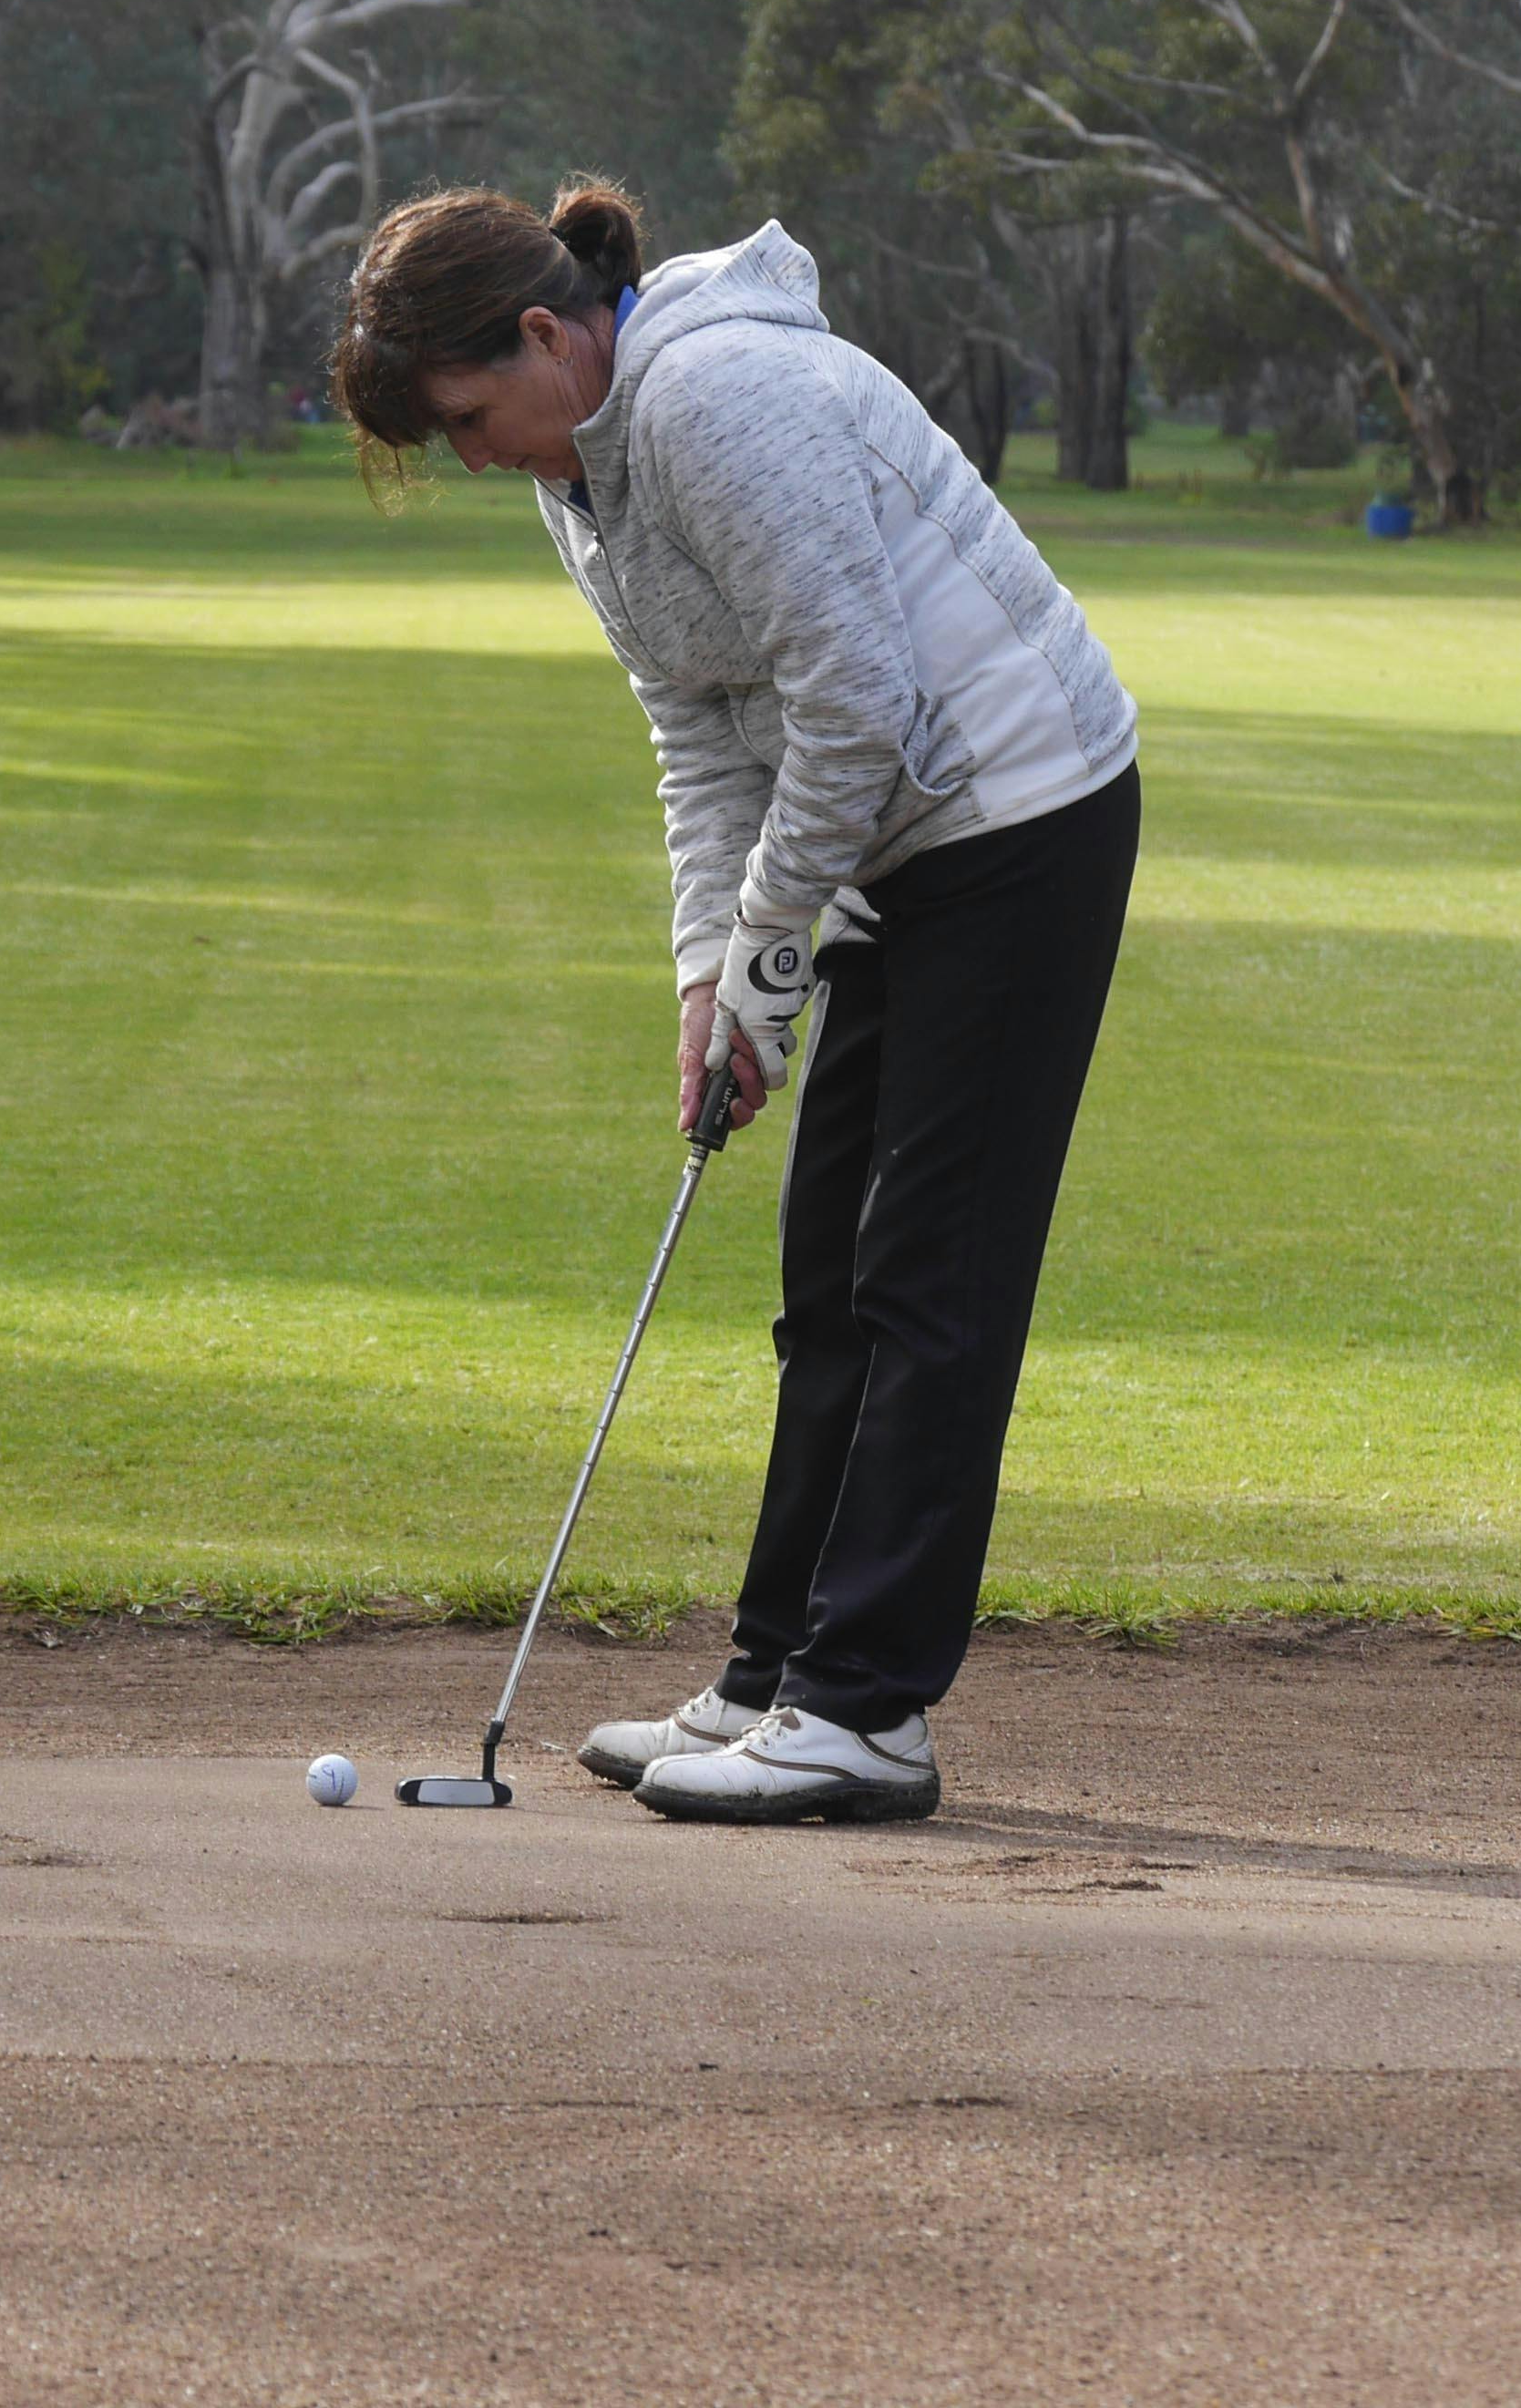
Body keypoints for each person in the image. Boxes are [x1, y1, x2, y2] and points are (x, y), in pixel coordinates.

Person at [330, 179, 1140, 1827]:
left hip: (1021, 817)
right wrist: (716, 978)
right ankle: (777, 1670)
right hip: (890, 841)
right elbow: (699, 733)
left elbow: (857, 698)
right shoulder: (582, 475)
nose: (478, 460)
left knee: (928, 1279)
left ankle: (870, 1710)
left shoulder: (716, 397)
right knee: (828, 1277)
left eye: (472, 419)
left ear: (547, 337)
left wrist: (774, 951)